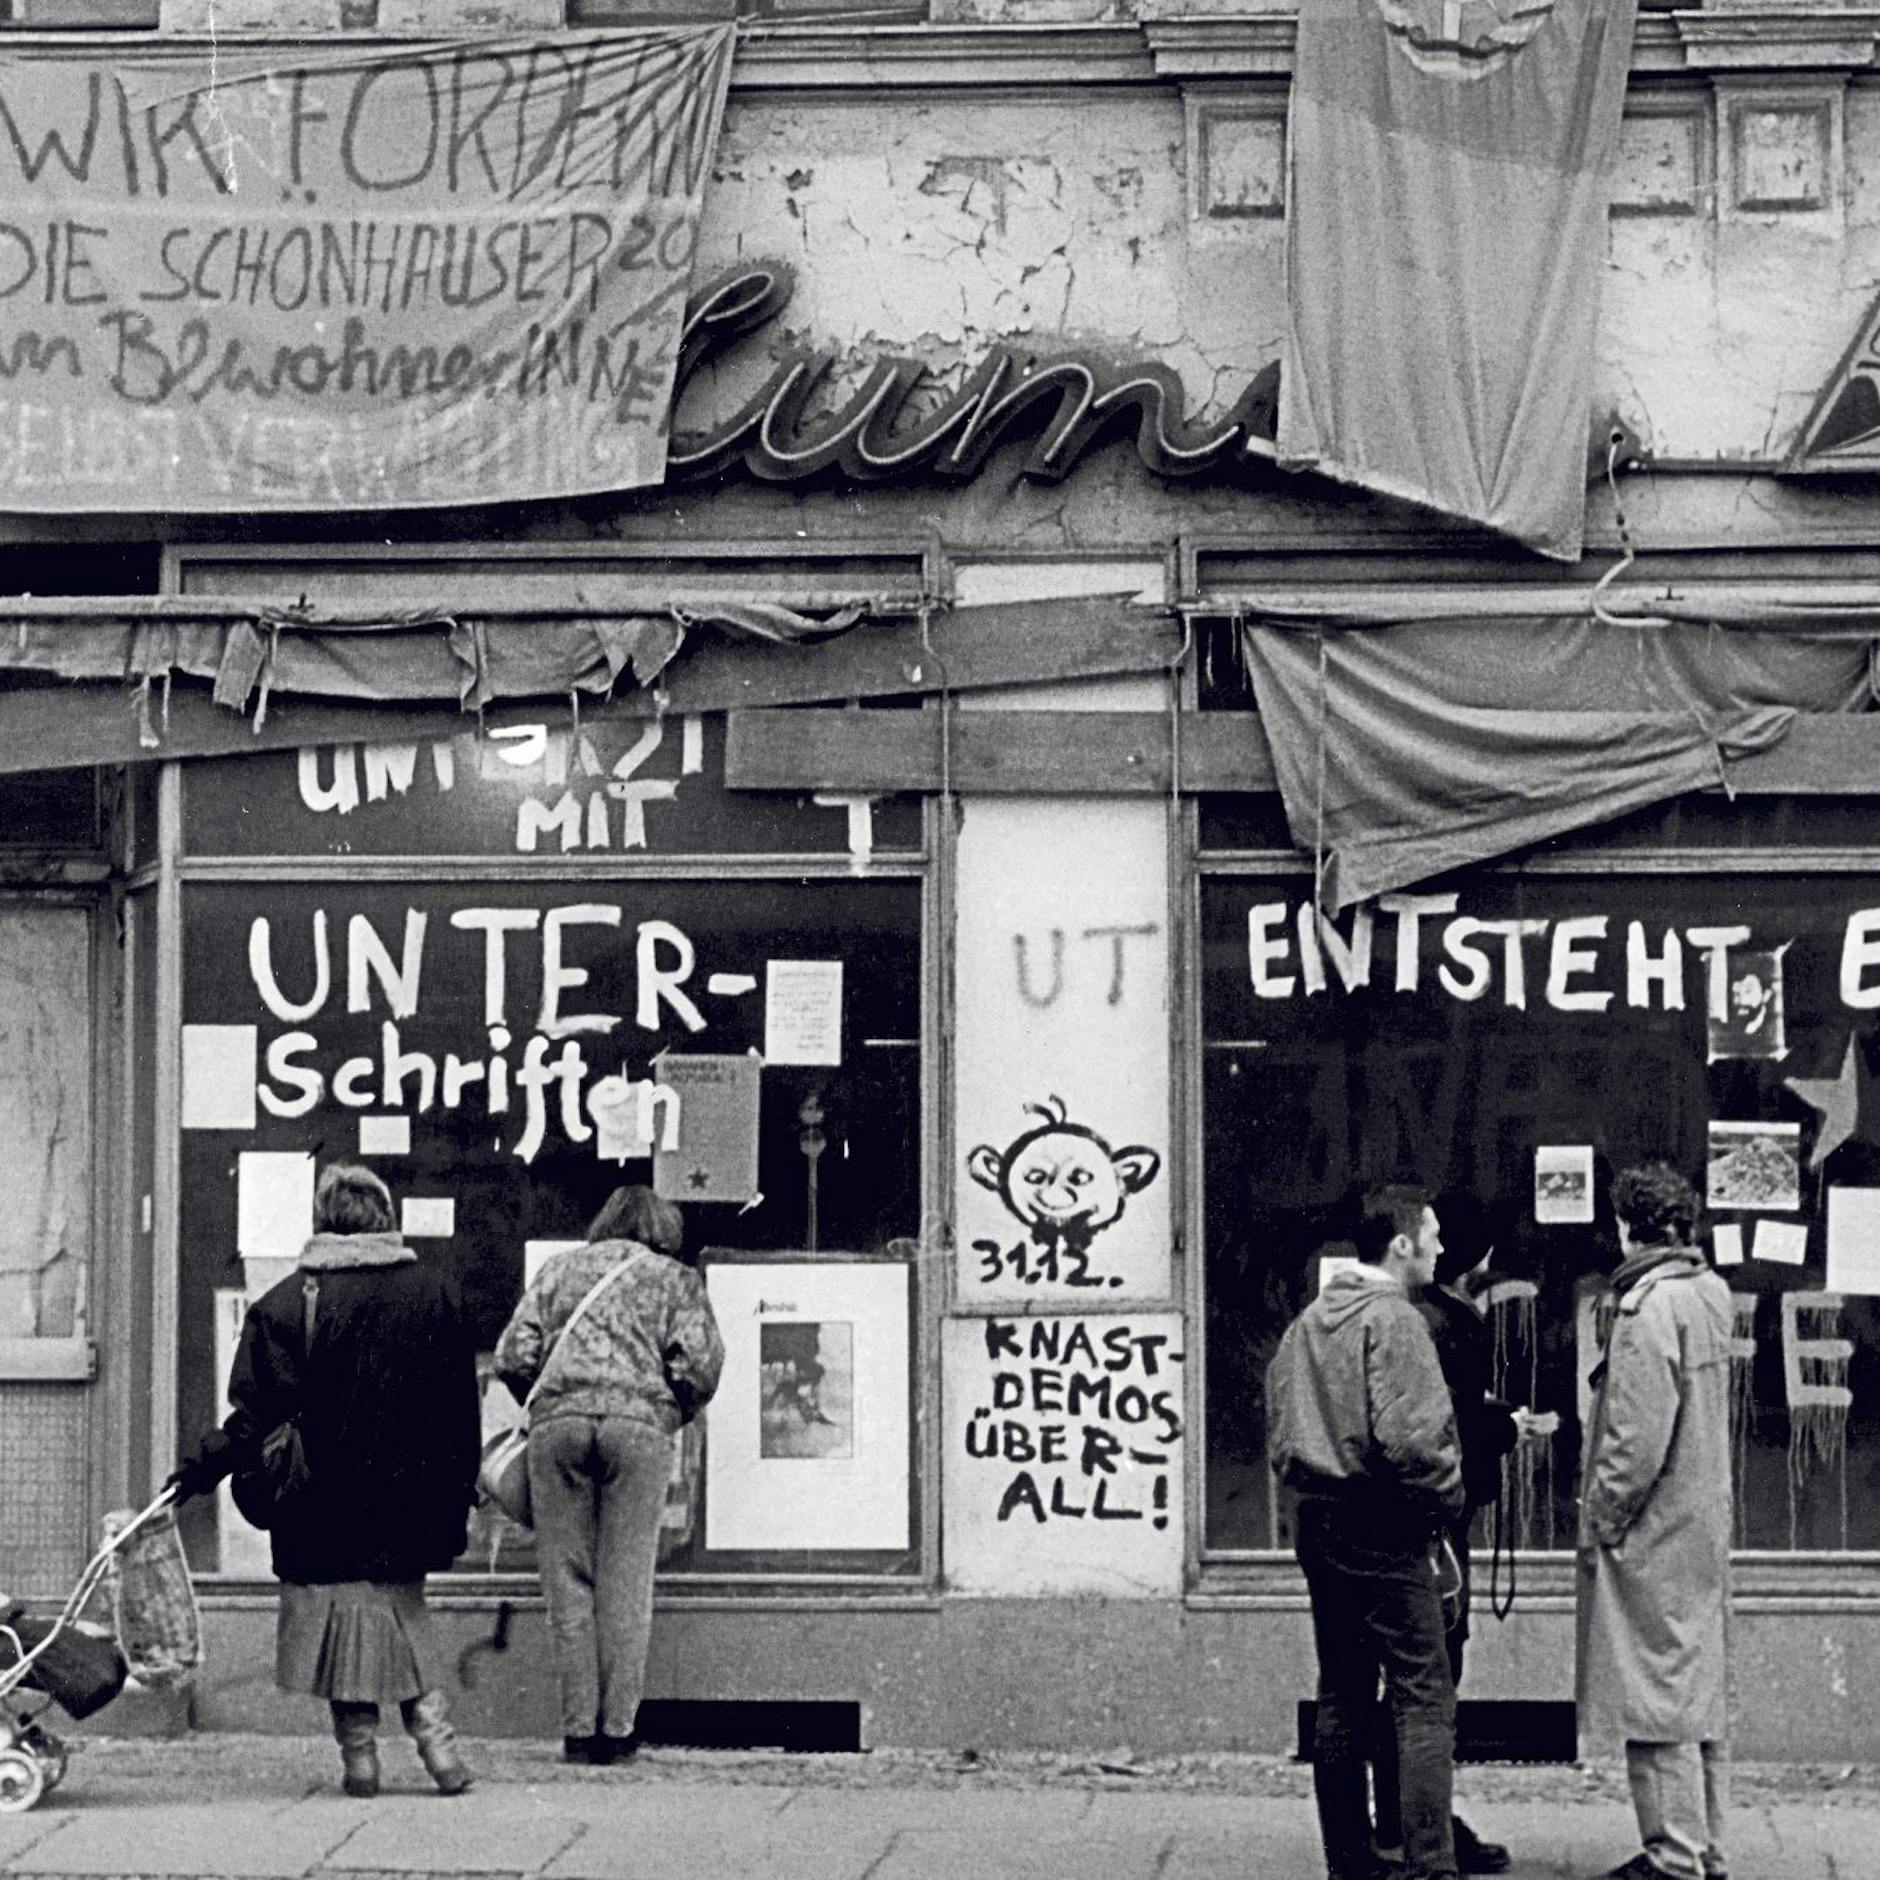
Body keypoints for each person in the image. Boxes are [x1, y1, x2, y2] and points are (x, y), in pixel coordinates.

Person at [168, 1162, 480, 1799]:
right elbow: (459, 1411)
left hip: (321, 1504)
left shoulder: (286, 1302)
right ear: (386, 1220)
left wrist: (200, 1471)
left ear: (321, 1223)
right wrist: (458, 1492)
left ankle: (360, 1764)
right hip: (410, 1501)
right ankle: (440, 1751)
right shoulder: (436, 1292)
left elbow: (254, 1416)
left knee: (340, 1636)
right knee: (402, 1619)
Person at [1268, 1181, 1466, 1880]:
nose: (1442, 1245)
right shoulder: (1396, 1320)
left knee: (1342, 1693)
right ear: (1403, 1243)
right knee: (1422, 1696)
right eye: (1433, 1233)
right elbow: (1415, 1439)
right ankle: (1430, 1865)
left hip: (1319, 1520)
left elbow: (1280, 1426)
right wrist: (1446, 1503)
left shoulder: (1312, 1319)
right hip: (1384, 1520)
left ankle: (1350, 1861)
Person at [494, 1185, 724, 1767]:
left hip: (559, 1427)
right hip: (637, 1429)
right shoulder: (674, 1279)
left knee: (568, 1580)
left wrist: (550, 1405)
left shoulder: (559, 1270)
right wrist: (667, 1410)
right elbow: (700, 1366)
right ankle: (617, 1731)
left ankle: (577, 1731)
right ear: (661, 1228)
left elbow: (513, 1356)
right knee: (626, 1584)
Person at [1377, 1197, 1557, 1875]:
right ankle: (1424, 1828)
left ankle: (1397, 1818)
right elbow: (1447, 1424)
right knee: (1436, 1671)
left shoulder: (1410, 1316)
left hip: (1398, 1518)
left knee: (1403, 1674)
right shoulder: (1452, 1324)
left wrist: (1497, 1413)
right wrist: (1510, 1428)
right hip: (1438, 1519)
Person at [1576, 1162, 1733, 1880]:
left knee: (1656, 1691)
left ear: (1623, 1225)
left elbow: (1633, 1442)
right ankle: (1708, 1847)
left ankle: (1674, 1855)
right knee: (1697, 1690)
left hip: (1654, 1528)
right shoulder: (1709, 1293)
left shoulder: (1647, 1308)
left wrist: (1602, 1521)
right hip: (1700, 1518)